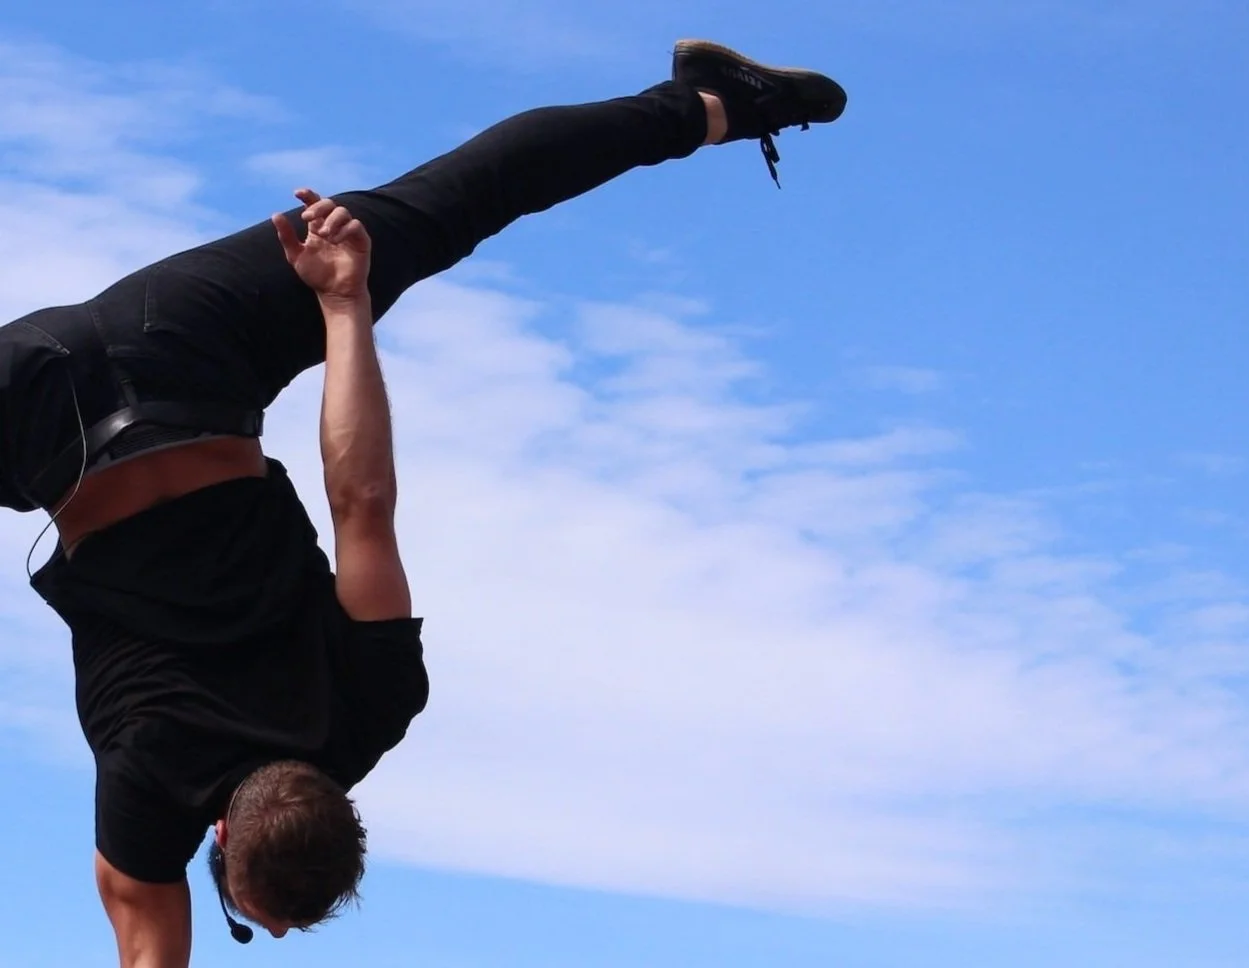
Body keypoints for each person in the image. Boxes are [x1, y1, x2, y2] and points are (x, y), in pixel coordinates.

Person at [0, 39, 845, 966]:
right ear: (226, 839)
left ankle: (714, 107)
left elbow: (362, 500)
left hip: (192, 349)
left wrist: (345, 303)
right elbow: (147, 945)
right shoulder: (148, 797)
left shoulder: (376, 705)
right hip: (41, 429)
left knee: (465, 196)